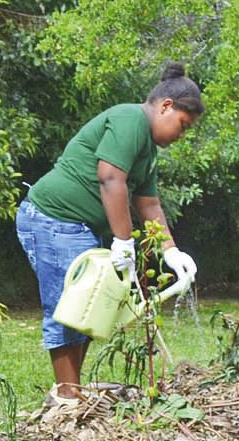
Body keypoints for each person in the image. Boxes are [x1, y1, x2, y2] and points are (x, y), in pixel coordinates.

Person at [15, 62, 203, 409]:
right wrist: (123, 240)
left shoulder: (147, 151)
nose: (182, 135)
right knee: (68, 307)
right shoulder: (129, 119)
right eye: (182, 125)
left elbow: (148, 203)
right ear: (165, 106)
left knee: (91, 311)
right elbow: (110, 178)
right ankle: (66, 397)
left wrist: (172, 252)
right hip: (54, 219)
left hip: (79, 228)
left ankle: (70, 391)